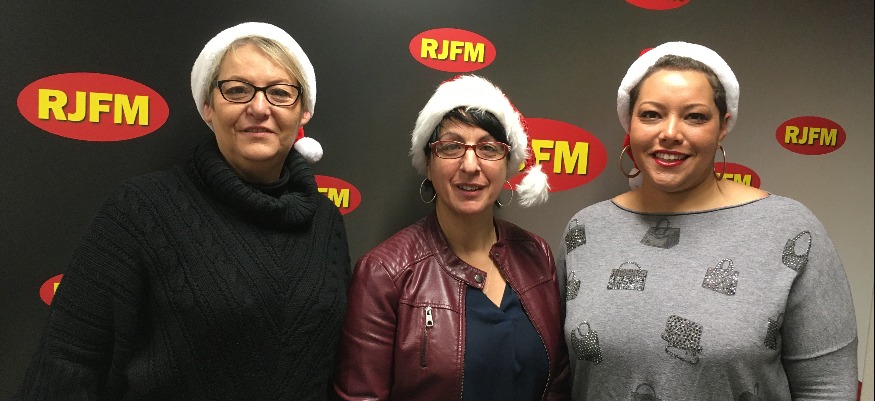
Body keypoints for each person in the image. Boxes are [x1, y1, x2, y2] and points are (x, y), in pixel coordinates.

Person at [16, 22, 350, 400]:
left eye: (280, 92)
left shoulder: (326, 221)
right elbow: (68, 362)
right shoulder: (141, 210)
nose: (259, 107)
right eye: (237, 90)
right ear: (208, 106)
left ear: (303, 111)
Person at [559, 41, 858, 400]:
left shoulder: (788, 229)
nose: (670, 132)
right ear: (631, 123)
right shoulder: (586, 230)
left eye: (695, 117)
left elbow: (827, 388)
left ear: (723, 127)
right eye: (651, 114)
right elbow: (558, 377)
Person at [332, 75, 569, 400]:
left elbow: (558, 383)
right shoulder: (384, 273)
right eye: (451, 147)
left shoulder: (537, 254)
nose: (470, 165)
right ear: (429, 165)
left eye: (488, 148)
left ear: (507, 165)